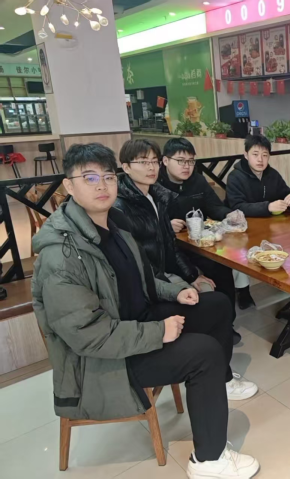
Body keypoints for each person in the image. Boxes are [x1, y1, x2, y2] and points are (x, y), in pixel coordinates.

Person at [31, 143, 260, 479]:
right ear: (69, 186)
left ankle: (219, 383)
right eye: (89, 178)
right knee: (205, 353)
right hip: (102, 361)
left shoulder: (114, 224)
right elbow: (88, 336)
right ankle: (209, 460)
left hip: (133, 325)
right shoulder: (62, 255)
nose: (101, 185)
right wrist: (158, 331)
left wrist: (176, 291)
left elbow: (143, 278)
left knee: (216, 304)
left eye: (107, 177)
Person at [114, 139, 247, 346]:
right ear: (126, 167)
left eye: (153, 161)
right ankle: (205, 342)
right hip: (154, 278)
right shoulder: (122, 205)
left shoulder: (158, 195)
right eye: (143, 162)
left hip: (183, 253)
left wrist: (191, 275)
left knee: (220, 270)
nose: (151, 167)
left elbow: (171, 242)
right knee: (213, 297)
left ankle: (222, 329)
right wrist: (178, 284)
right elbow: (136, 262)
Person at [157, 137, 255, 312]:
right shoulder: (156, 185)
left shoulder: (198, 181)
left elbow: (214, 206)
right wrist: (166, 224)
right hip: (172, 248)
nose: (187, 166)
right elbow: (149, 223)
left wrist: (228, 214)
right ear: (165, 161)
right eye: (180, 161)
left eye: (191, 161)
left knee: (222, 264)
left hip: (200, 243)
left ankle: (228, 316)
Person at [226, 134, 290, 217]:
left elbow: (287, 194)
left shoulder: (273, 174)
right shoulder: (234, 177)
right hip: (244, 223)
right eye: (255, 154)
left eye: (264, 155)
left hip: (271, 222)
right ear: (246, 155)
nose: (260, 159)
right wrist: (267, 207)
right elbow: (237, 207)